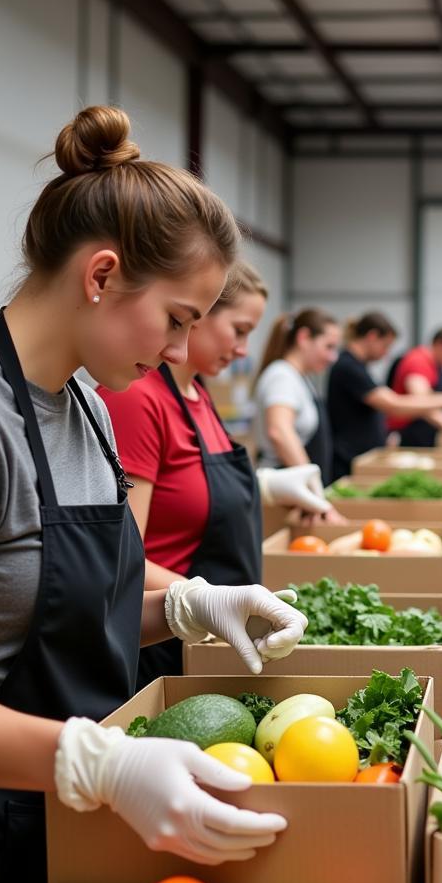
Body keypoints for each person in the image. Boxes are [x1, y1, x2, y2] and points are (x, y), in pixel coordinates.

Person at [0, 106, 308, 883]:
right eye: (179, 318)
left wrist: (186, 603)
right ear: (101, 274)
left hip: (64, 828)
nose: (183, 350)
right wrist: (98, 762)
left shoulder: (86, 403)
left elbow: (74, 591)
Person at [98, 261, 331, 688]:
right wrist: (202, 602)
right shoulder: (136, 400)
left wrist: (267, 488)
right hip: (159, 641)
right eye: (239, 330)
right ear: (199, 316)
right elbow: (119, 554)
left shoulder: (198, 396)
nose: (244, 349)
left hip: (210, 634)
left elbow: (188, 492)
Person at [326, 312, 442, 480]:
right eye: (385, 346)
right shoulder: (348, 367)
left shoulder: (359, 367)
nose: (386, 354)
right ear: (372, 337)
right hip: (350, 459)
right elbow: (394, 405)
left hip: (362, 456)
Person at [254, 308, 344, 487]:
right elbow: (279, 431)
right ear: (304, 338)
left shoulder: (300, 378)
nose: (333, 357)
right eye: (328, 347)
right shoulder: (282, 376)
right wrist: (312, 485)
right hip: (284, 488)